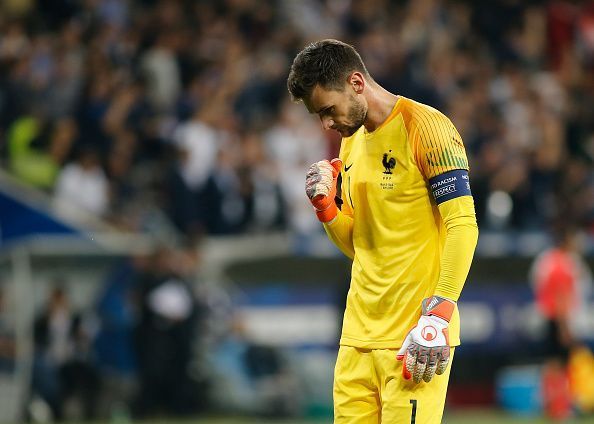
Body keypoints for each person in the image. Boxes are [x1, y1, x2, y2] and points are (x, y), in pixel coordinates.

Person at [287, 39, 479, 423]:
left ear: (356, 83)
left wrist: (439, 315)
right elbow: (360, 244)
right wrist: (326, 209)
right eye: (317, 116)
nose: (326, 123)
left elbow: (463, 224)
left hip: (413, 336)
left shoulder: (426, 127)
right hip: (356, 338)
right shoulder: (350, 141)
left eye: (328, 110)